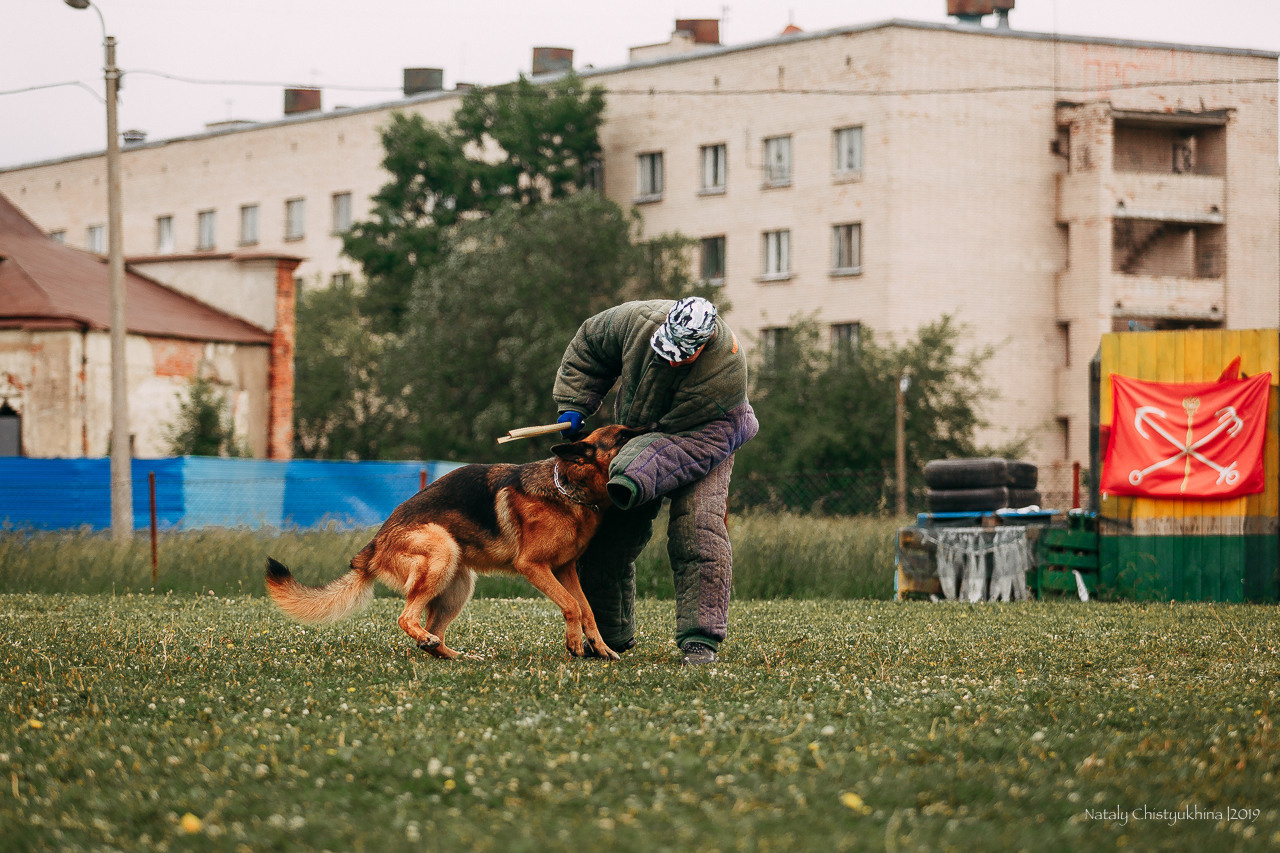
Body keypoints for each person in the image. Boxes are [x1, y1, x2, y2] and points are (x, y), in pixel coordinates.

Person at [552, 297, 759, 665]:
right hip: (636, 439)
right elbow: (589, 345)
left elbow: (681, 442)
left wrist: (633, 469)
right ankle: (605, 635)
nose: (670, 359)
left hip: (707, 437)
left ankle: (700, 641)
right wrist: (574, 400)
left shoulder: (724, 371)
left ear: (703, 343)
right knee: (611, 531)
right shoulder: (638, 320)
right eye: (665, 348)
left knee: (698, 528)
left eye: (680, 355)